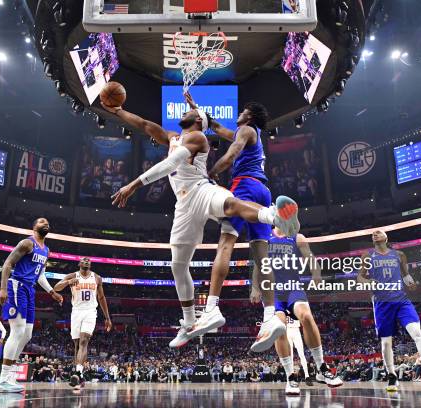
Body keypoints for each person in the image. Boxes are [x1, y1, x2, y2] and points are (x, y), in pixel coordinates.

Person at [102, 99, 300, 349]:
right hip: (183, 203)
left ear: (197, 122)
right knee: (178, 264)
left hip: (201, 188)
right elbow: (143, 124)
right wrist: (118, 111)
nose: (184, 112)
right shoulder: (174, 136)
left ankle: (274, 217)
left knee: (229, 209)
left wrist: (133, 185)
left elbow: (172, 164)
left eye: (190, 112)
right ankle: (189, 323)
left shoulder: (198, 138)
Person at [183, 93, 294, 353]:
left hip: (244, 187)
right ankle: (269, 317)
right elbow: (216, 126)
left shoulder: (245, 130)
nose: (239, 113)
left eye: (243, 110)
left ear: (250, 115)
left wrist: (208, 175)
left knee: (225, 244)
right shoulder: (248, 133)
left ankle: (211, 308)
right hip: (263, 191)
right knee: (261, 257)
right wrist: (195, 108)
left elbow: (231, 156)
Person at [358, 230, 421, 392]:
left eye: (378, 232)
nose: (375, 234)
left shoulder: (399, 255)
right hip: (382, 303)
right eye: (373, 233)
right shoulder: (367, 256)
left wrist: (411, 283)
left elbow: (406, 275)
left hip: (401, 300)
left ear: (386, 238)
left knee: (416, 331)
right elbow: (360, 277)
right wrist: (367, 281)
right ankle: (392, 375)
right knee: (386, 342)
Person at [269, 227, 343, 394]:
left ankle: (321, 368)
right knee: (279, 328)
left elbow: (310, 257)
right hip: (273, 290)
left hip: (293, 287)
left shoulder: (297, 237)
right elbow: (260, 263)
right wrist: (255, 287)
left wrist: (316, 273)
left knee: (307, 317)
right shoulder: (265, 235)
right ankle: (291, 377)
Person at [0, 218, 63, 393]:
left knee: (27, 334)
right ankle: (2, 378)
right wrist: (3, 288)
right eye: (42, 222)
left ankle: (8, 376)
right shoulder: (27, 243)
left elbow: (40, 275)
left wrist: (51, 292)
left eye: (48, 222)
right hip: (17, 285)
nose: (46, 223)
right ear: (34, 227)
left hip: (30, 290)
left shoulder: (46, 250)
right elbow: (8, 263)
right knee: (17, 331)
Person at [53, 257, 112, 390]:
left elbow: (101, 298)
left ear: (90, 264)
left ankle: (78, 372)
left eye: (88, 260)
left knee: (84, 341)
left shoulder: (97, 278)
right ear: (79, 264)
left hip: (90, 311)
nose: (86, 261)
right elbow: (56, 288)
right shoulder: (73, 275)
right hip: (76, 312)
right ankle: (79, 377)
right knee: (76, 345)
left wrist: (107, 317)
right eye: (83, 260)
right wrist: (68, 282)